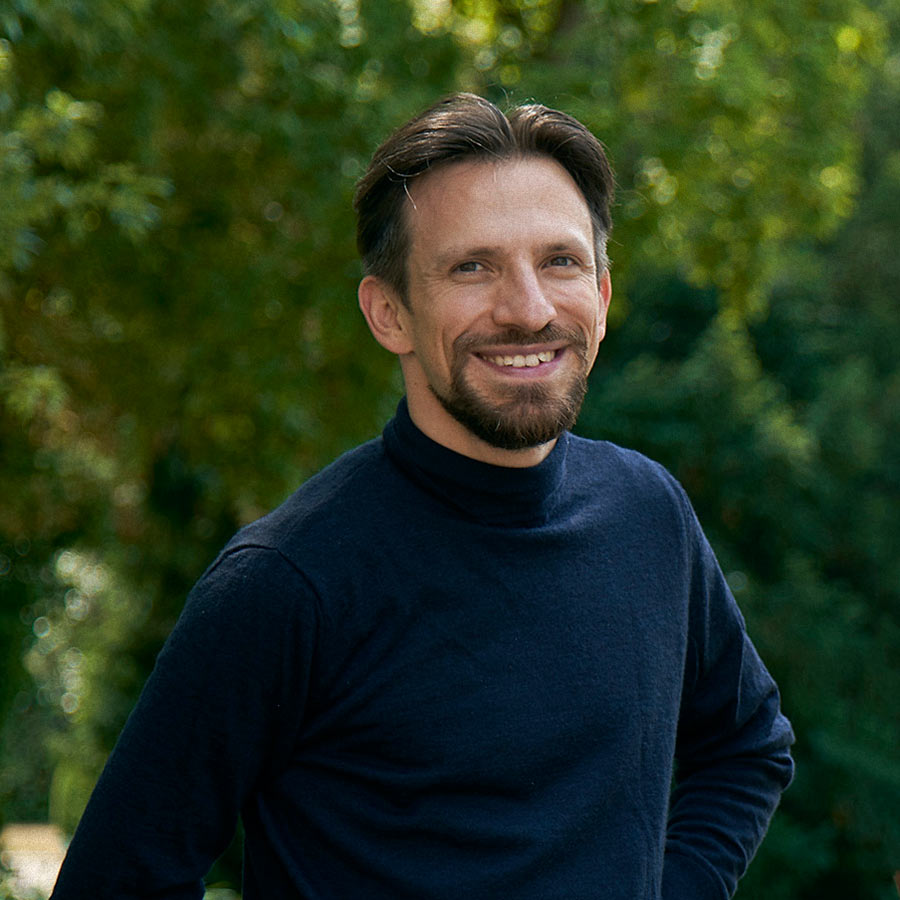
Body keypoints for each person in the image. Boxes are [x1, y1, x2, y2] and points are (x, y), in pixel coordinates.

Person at [51, 93, 794, 900]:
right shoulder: (289, 581)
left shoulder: (649, 515)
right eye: (472, 267)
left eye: (561, 261)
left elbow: (747, 745)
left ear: (604, 298)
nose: (529, 309)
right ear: (389, 312)